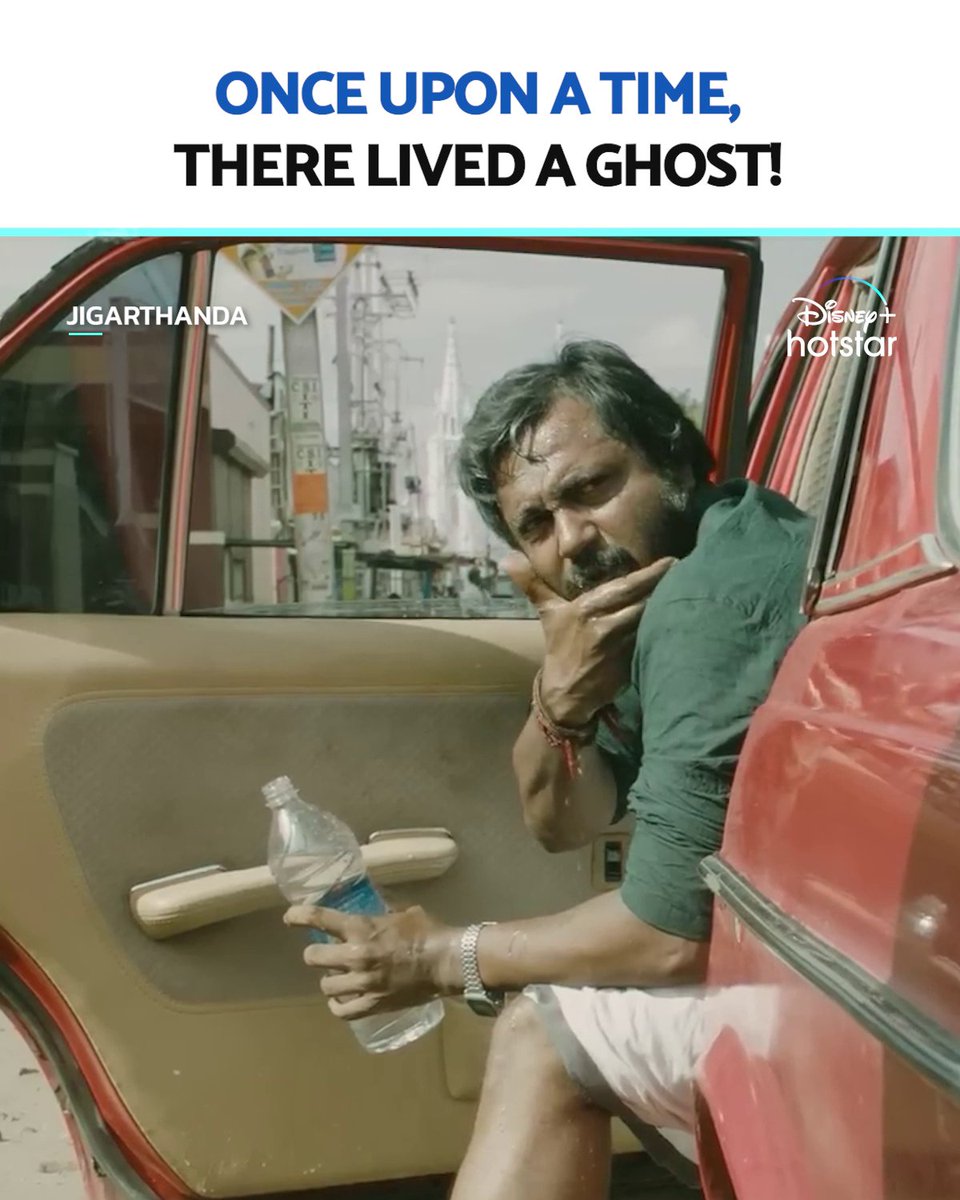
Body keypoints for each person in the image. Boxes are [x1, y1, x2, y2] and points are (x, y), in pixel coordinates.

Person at [286, 340, 814, 1199]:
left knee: (543, 1031)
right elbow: (565, 822)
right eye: (535, 525)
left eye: (592, 489)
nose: (572, 539)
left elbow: (670, 937)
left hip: (859, 998)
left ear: (675, 458)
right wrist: (559, 701)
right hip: (827, 959)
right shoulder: (668, 581)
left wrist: (442, 957)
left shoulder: (703, 604)